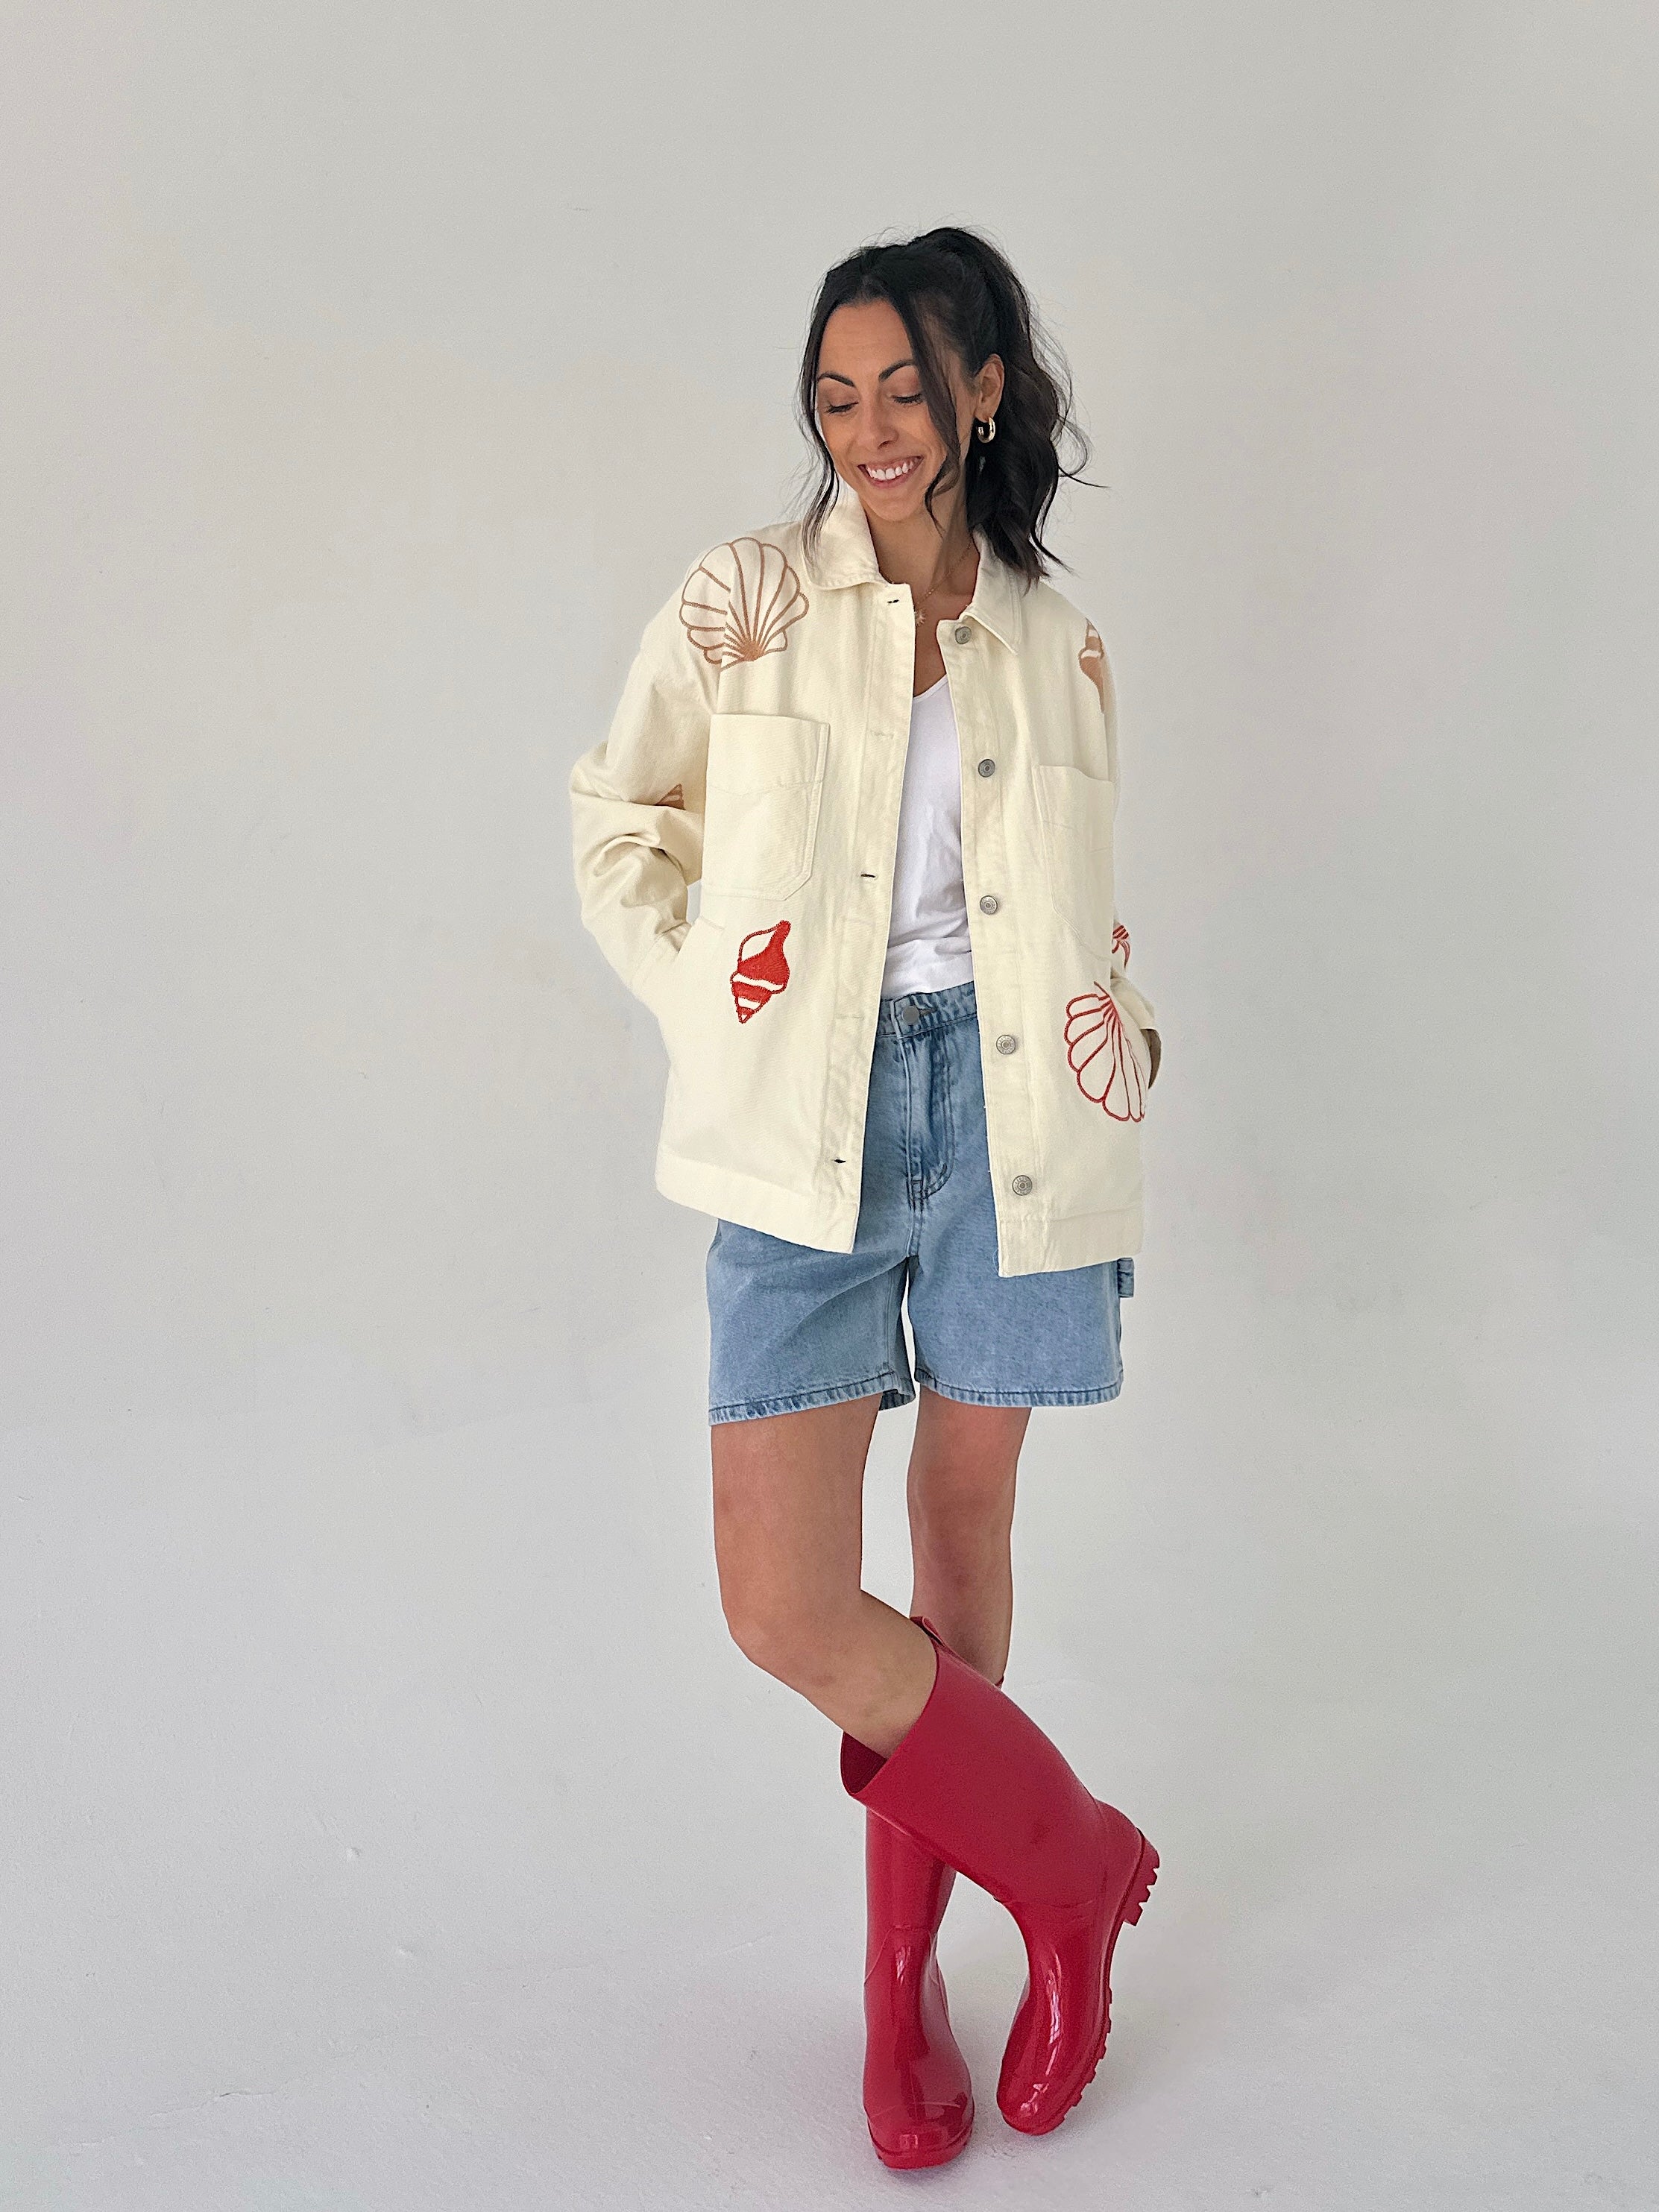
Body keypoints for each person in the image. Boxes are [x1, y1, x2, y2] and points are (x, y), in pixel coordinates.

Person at [570, 226, 1164, 2171]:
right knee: (786, 1604)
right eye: (836, 397)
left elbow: (1080, 915)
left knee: (964, 1551)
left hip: (1008, 1120)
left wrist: (1115, 1046)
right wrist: (712, 1004)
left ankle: (902, 1976)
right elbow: (616, 822)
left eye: (906, 389)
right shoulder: (741, 602)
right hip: (799, 1123)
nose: (871, 429)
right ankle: (1065, 1865)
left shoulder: (1052, 641)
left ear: (983, 388)